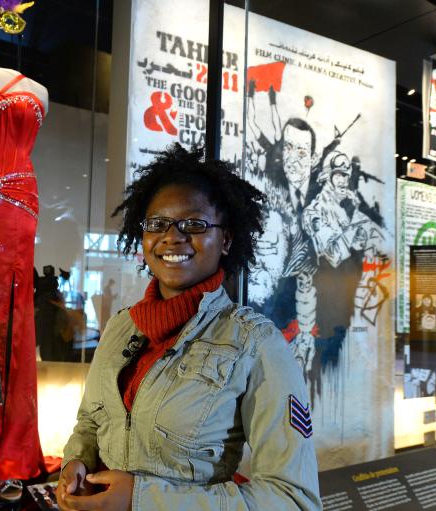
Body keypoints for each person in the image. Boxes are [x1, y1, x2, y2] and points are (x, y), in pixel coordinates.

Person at [57, 144, 320, 510]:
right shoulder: (121, 327)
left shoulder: (255, 343)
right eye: (157, 224)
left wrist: (140, 500)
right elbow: (90, 420)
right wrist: (77, 461)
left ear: (225, 239)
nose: (172, 236)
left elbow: (294, 499)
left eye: (193, 224)